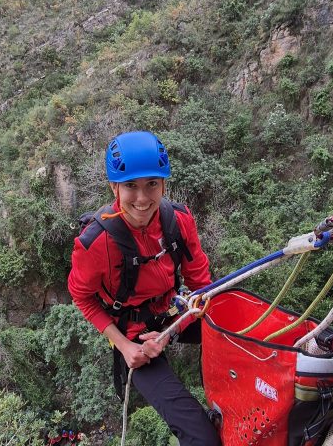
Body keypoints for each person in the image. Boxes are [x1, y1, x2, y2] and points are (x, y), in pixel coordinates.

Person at [68, 131, 221, 446]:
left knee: (240, 322)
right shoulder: (96, 243)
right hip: (133, 335)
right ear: (114, 187)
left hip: (174, 312)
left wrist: (173, 328)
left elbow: (201, 283)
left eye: (152, 184)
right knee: (202, 438)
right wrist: (124, 346)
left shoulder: (177, 220)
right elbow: (82, 297)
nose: (142, 198)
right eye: (130, 186)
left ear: (164, 184)